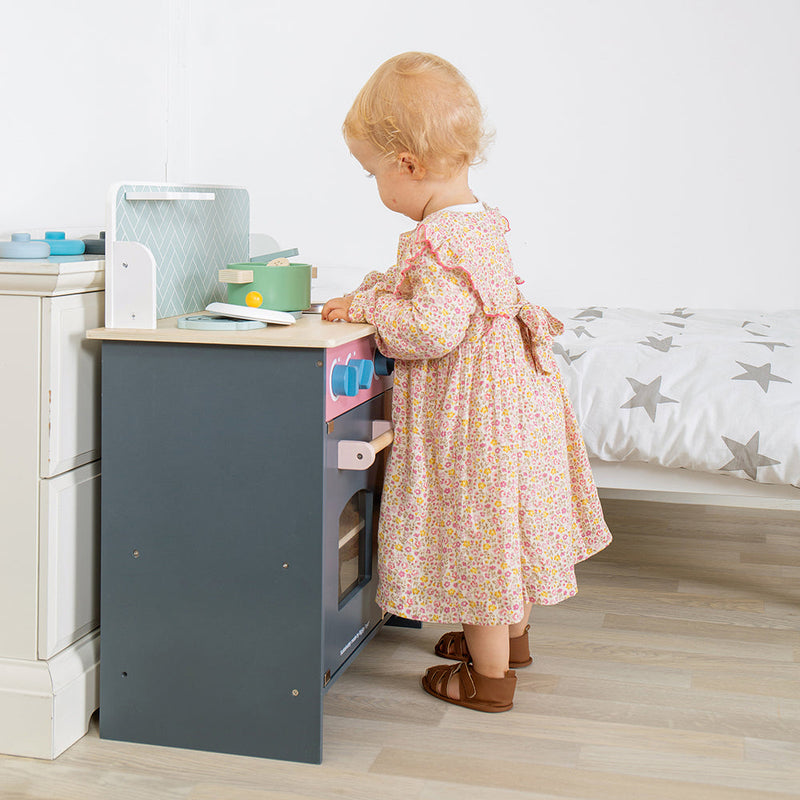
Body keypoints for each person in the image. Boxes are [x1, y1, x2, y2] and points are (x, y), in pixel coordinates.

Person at [322, 52, 611, 713]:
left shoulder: (431, 239)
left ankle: (487, 681)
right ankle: (511, 640)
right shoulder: (478, 223)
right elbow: (449, 298)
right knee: (502, 525)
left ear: (407, 165)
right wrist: (374, 288)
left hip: (472, 417)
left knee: (477, 533)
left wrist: (367, 308)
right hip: (517, 405)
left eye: (371, 173)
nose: (374, 187)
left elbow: (430, 328)